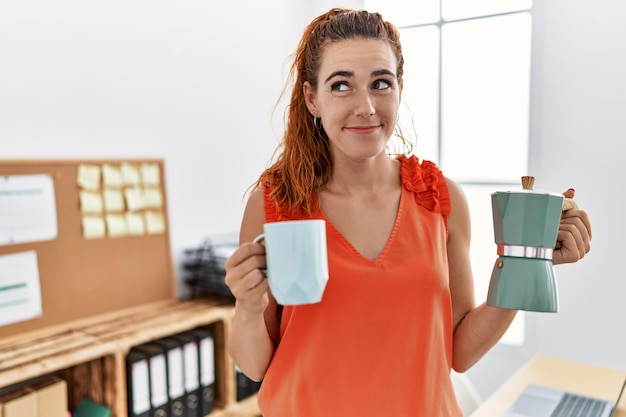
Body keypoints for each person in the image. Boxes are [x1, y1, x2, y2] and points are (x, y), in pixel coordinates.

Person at [224, 8, 592, 416]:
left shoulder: (439, 199)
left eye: (380, 83)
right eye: (341, 85)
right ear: (312, 97)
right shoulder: (275, 200)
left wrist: (527, 261)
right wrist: (247, 304)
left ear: (399, 88)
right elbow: (255, 365)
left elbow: (460, 352)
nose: (365, 106)